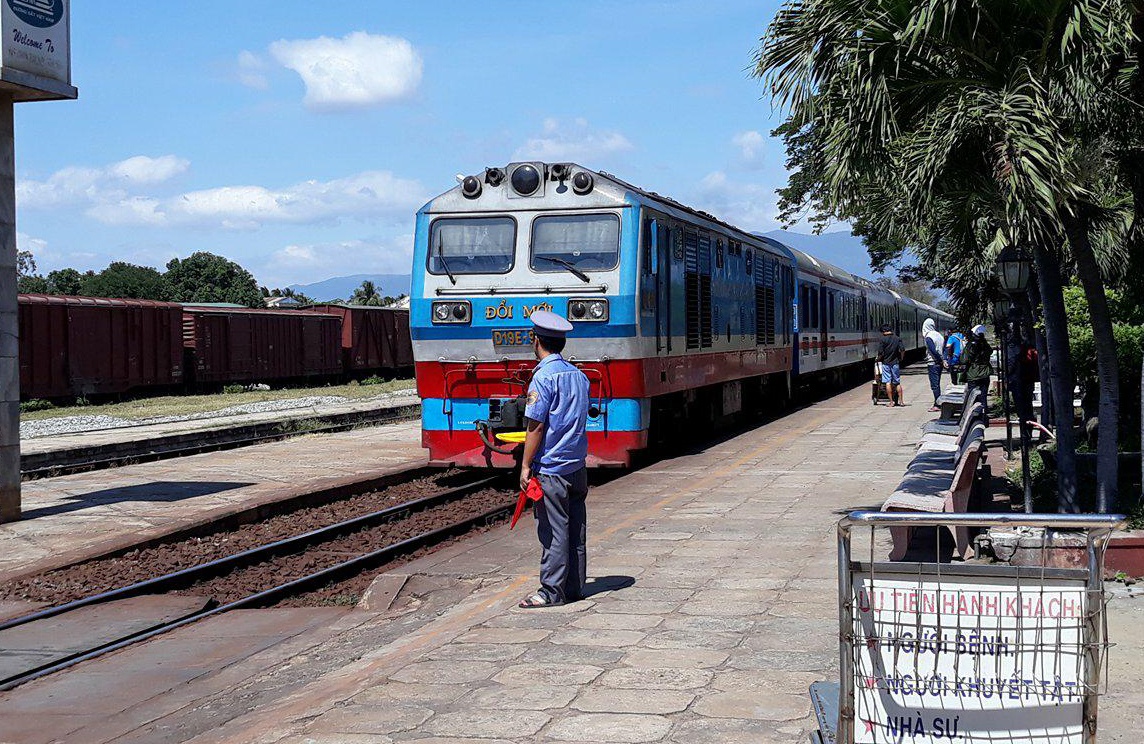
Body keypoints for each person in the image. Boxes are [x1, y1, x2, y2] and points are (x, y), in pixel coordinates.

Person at [517, 309, 591, 609]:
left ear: (537, 342)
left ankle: (551, 591)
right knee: (576, 528)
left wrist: (525, 465)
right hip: (577, 465)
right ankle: (574, 587)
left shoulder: (542, 379)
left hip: (551, 468)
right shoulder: (580, 376)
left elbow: (535, 426)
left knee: (553, 530)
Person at [961, 324, 993, 422]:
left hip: (973, 374)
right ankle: (984, 417)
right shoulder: (985, 345)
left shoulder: (970, 346)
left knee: (973, 397)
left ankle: (975, 418)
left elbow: (964, 360)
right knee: (983, 397)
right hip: (985, 373)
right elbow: (990, 352)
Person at [875, 323, 905, 406]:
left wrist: (878, 359)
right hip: (895, 363)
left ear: (883, 331)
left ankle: (891, 402)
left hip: (886, 363)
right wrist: (901, 358)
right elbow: (902, 350)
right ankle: (901, 401)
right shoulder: (897, 338)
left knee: (887, 382)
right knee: (897, 382)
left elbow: (880, 352)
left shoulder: (882, 340)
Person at [923, 318, 946, 412]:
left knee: (935, 385)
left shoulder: (928, 337)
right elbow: (943, 349)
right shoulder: (939, 335)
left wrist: (940, 360)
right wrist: (943, 359)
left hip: (933, 363)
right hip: (939, 363)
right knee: (937, 383)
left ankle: (937, 404)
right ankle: (938, 402)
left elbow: (933, 350)